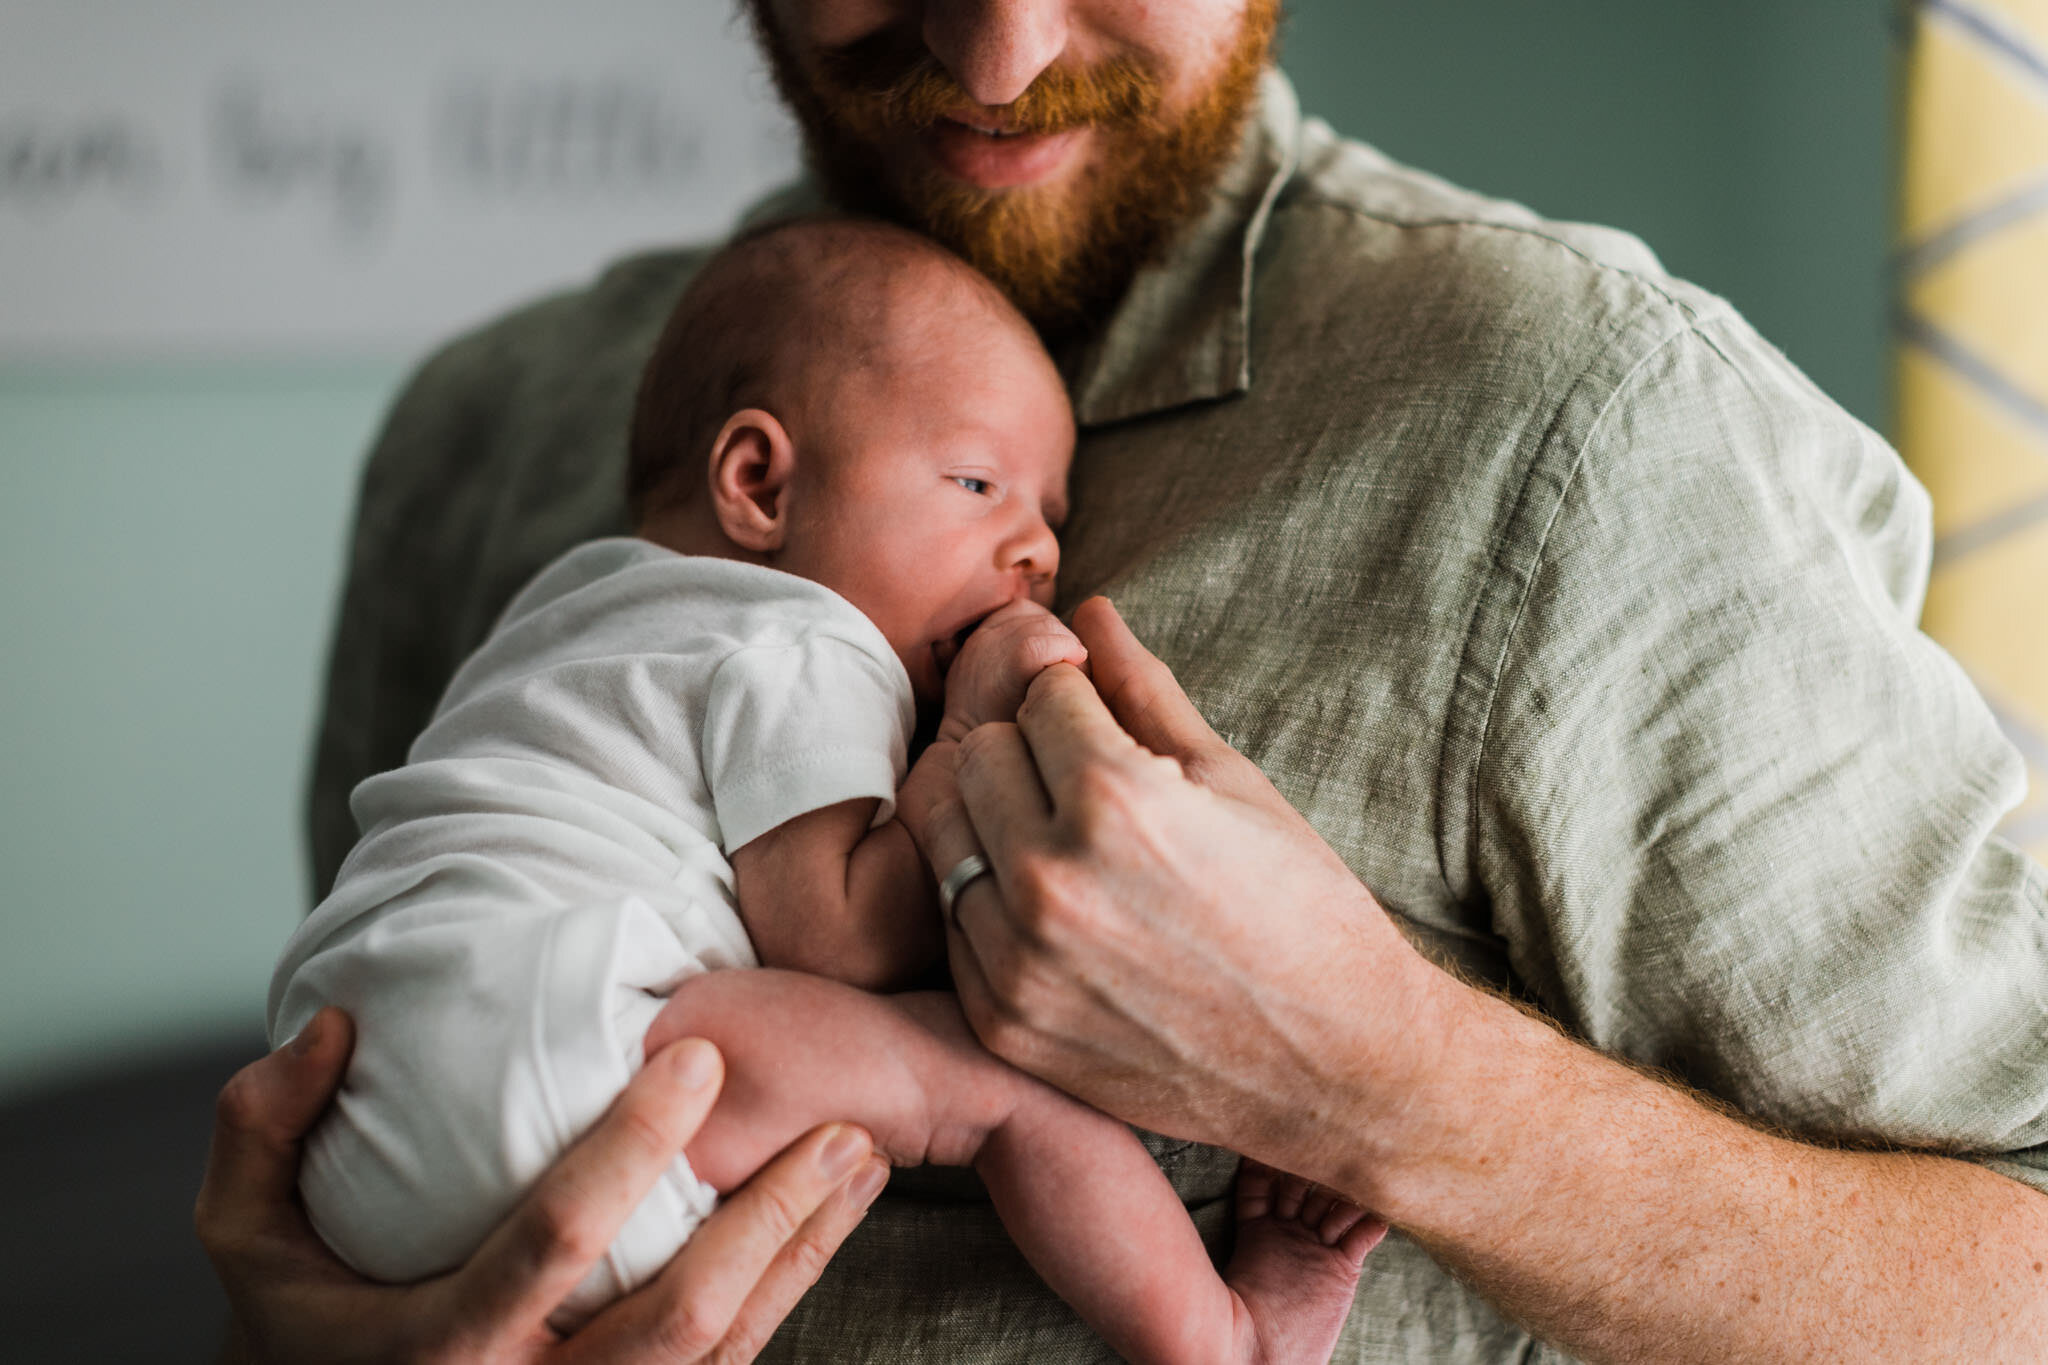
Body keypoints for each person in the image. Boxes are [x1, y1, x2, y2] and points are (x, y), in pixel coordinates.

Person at [197, 0, 2048, 1360]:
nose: (995, 55)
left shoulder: (1581, 424)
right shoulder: (482, 431)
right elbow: (382, 1052)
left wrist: (1393, 1083)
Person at [267, 215, 1381, 1362]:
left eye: (1049, 513)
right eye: (975, 480)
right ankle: (1227, 1337)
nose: (1036, 550)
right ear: (759, 483)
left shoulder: (567, 611)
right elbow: (834, 942)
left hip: (346, 1115)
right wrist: (969, 721)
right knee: (997, 1092)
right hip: (566, 1057)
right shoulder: (798, 636)